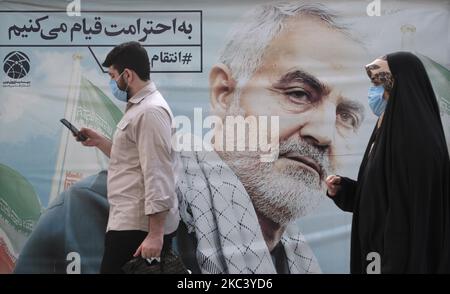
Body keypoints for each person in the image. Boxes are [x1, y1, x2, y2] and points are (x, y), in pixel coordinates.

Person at [175, 2, 369, 274]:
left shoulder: (299, 261)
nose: (324, 134)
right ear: (224, 94)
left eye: (346, 116)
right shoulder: (119, 210)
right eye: (299, 93)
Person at [325, 52, 450, 274]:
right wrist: (345, 191)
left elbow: (415, 216)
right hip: (378, 258)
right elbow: (382, 196)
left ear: (399, 86)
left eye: (378, 84)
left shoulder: (417, 141)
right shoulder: (388, 130)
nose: (373, 92)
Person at [79, 42, 179, 274]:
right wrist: (100, 142)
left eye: (113, 76)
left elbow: (158, 173)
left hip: (138, 228)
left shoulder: (150, 111)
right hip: (129, 223)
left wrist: (155, 235)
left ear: (128, 75)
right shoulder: (139, 108)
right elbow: (133, 161)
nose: (112, 83)